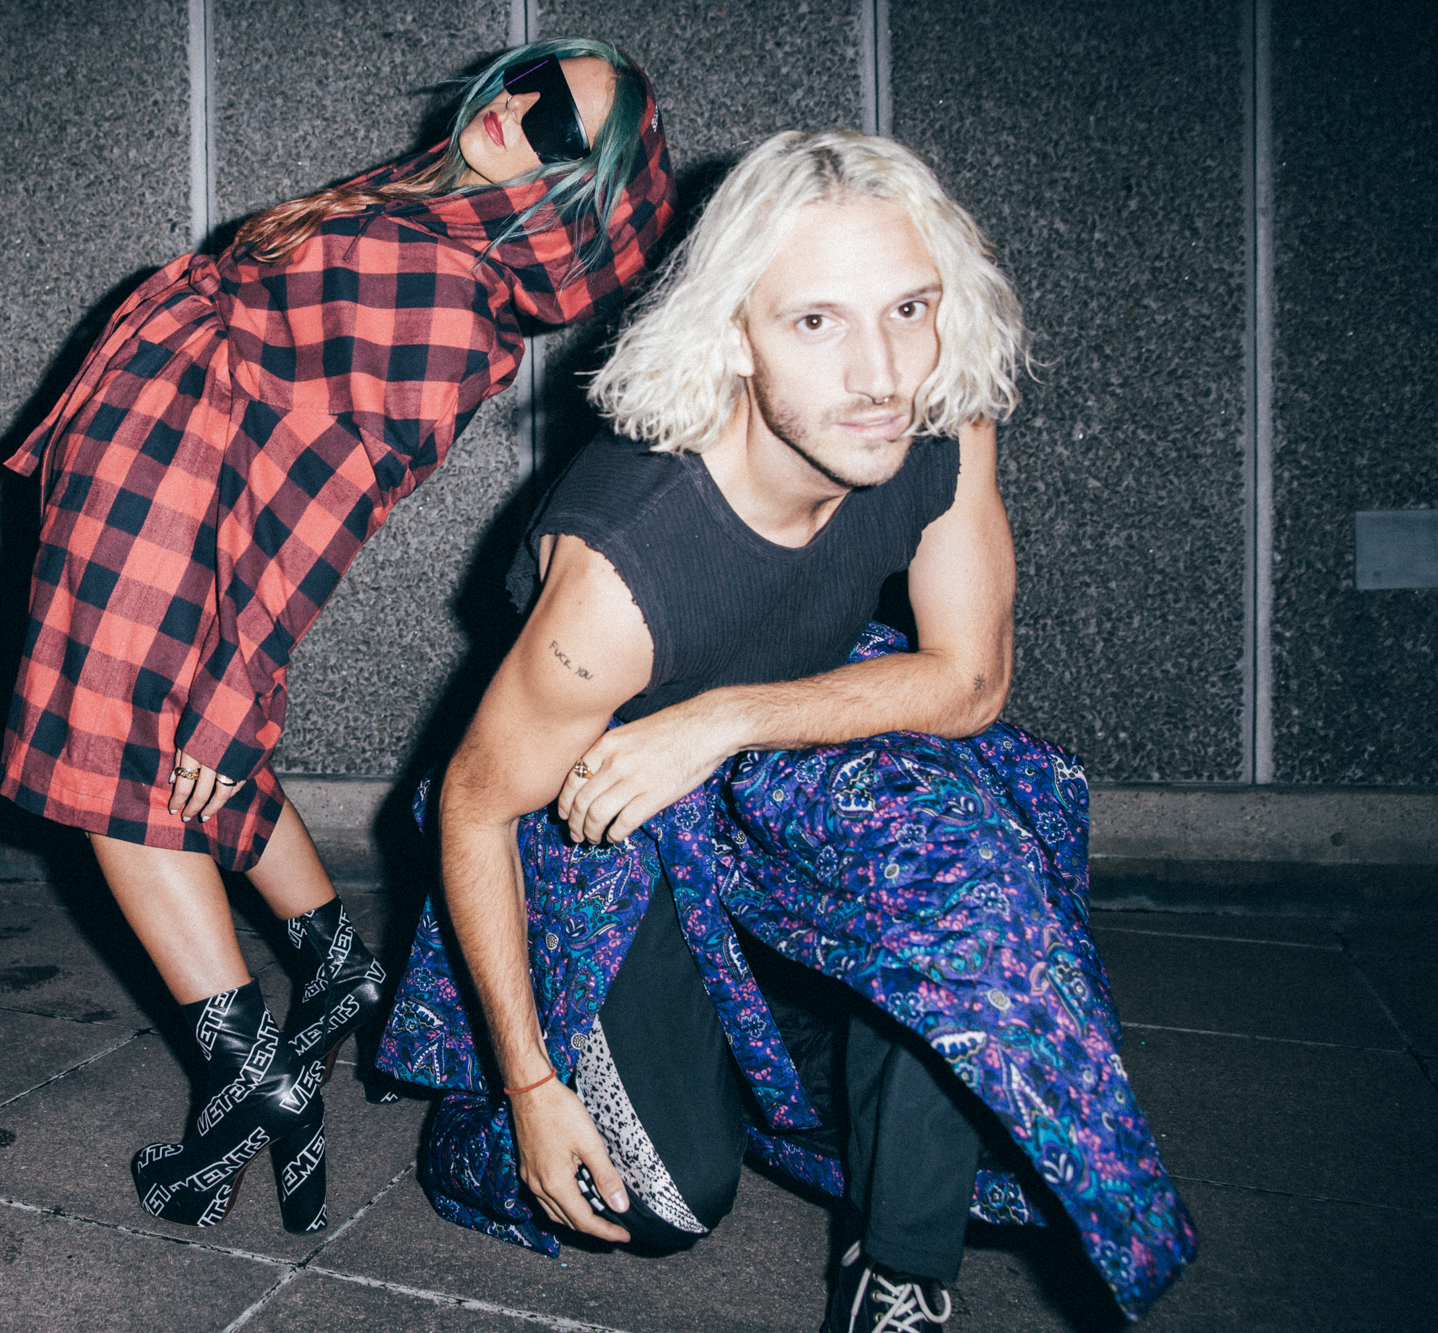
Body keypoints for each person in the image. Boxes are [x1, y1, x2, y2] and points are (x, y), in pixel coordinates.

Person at [377, 130, 1195, 1328]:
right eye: (816, 321)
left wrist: (722, 720)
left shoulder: (936, 409)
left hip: (760, 732)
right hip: (605, 797)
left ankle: (898, 1266)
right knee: (657, 1198)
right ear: (733, 336)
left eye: (908, 307)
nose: (880, 372)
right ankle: (572, 1092)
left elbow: (968, 679)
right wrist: (529, 1085)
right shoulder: (622, 574)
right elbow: (472, 804)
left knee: (969, 858)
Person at [0, 41, 676, 1235]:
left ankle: (251, 1079)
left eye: (558, 125)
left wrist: (239, 688)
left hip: (171, 504)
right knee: (173, 758)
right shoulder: (430, 217)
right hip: (162, 482)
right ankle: (334, 965)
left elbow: (325, 504)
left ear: (579, 191)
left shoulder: (443, 289)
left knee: (114, 777)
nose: (517, 109)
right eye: (528, 81)